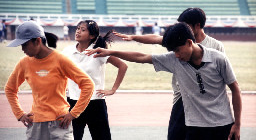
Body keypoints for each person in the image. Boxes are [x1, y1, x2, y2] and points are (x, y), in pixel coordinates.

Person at [86, 22, 242, 140]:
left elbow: (235, 89)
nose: (176, 55)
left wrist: (238, 124)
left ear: (189, 42)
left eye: (178, 50)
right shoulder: (174, 60)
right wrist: (112, 51)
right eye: (173, 51)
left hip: (223, 125)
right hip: (194, 127)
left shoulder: (218, 59)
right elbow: (141, 57)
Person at [113, 7, 225, 140]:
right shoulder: (178, 39)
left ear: (197, 26)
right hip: (182, 98)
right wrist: (133, 37)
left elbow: (221, 77)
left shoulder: (215, 46)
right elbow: (155, 39)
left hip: (206, 102)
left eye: (186, 25)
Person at [5, 21, 95, 140]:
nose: (22, 49)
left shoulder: (60, 60)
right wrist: (20, 114)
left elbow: (88, 84)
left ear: (37, 41)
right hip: (36, 124)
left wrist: (74, 113)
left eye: (25, 44)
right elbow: (10, 89)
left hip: (60, 123)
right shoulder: (24, 63)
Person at [62, 20, 128, 140]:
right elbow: (59, 72)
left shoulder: (99, 52)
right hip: (73, 102)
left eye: (83, 30)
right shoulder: (67, 52)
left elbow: (123, 66)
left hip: (95, 103)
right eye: (78, 28)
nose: (78, 31)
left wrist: (113, 90)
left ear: (92, 36)